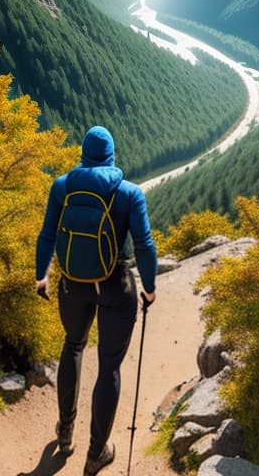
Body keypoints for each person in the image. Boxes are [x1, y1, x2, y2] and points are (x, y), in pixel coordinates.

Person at [35, 125, 157, 476]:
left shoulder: (62, 187)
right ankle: (95, 452)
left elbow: (47, 235)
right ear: (111, 155)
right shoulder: (129, 193)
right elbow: (144, 245)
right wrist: (149, 287)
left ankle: (65, 433)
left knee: (73, 346)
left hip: (73, 286)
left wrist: (42, 275)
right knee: (109, 366)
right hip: (114, 286)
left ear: (83, 155)